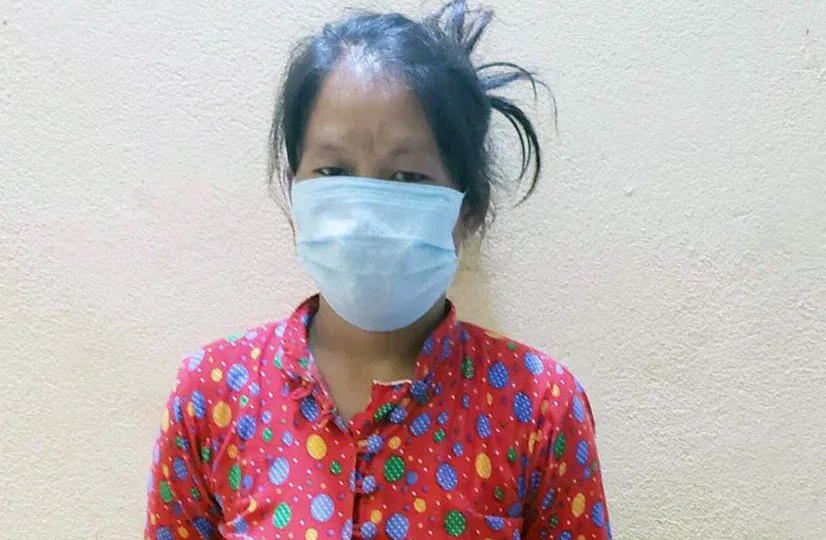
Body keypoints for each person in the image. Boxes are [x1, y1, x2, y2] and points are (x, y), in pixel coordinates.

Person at [145, 1, 610, 538]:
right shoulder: (212, 395)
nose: (365, 210)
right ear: (296, 194)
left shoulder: (539, 408)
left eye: (407, 176)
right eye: (334, 171)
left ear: (467, 209)